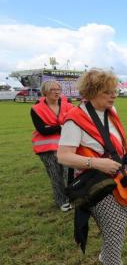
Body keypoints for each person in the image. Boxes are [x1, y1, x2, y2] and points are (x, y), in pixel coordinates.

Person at [57, 69, 127, 265]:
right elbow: (62, 156)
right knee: (113, 232)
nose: (113, 95)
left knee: (119, 224)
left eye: (114, 90)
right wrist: (96, 163)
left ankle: (107, 256)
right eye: (107, 92)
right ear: (92, 92)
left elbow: (115, 141)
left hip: (116, 178)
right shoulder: (75, 119)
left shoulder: (110, 111)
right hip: (96, 184)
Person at [31, 80, 74, 212]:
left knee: (69, 173)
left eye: (58, 89)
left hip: (66, 145)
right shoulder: (36, 109)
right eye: (52, 90)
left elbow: (73, 122)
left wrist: (53, 127)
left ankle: (72, 197)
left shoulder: (68, 105)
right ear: (45, 92)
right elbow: (42, 130)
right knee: (56, 176)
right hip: (46, 149)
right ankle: (61, 201)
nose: (56, 92)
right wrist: (61, 126)